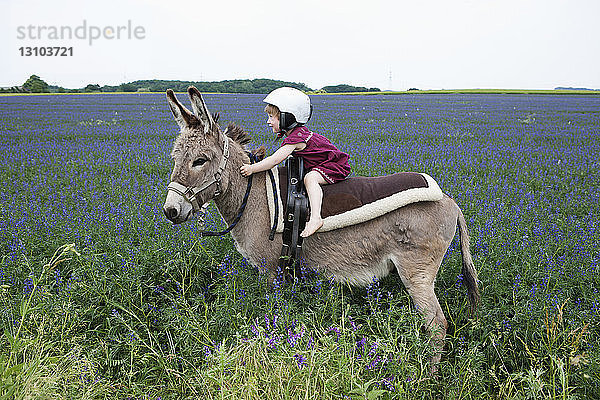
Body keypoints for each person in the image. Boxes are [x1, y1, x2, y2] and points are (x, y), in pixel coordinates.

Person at [240, 87, 351, 237]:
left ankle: (316, 218)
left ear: (288, 117)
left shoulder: (295, 139)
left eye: (272, 117)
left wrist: (252, 168)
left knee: (310, 179)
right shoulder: (297, 133)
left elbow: (275, 160)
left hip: (333, 165)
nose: (268, 121)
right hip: (322, 163)